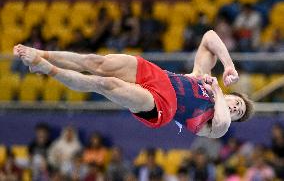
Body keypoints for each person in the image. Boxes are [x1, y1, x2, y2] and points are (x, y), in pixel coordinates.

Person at [14, 30, 254, 138]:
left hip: (162, 106)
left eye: (238, 113)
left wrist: (218, 92)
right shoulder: (202, 75)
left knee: (105, 84)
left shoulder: (216, 125)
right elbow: (210, 36)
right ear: (235, 96)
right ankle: (42, 55)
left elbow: (223, 120)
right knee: (96, 62)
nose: (235, 108)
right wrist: (229, 65)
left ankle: (48, 69)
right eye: (237, 104)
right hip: (157, 75)